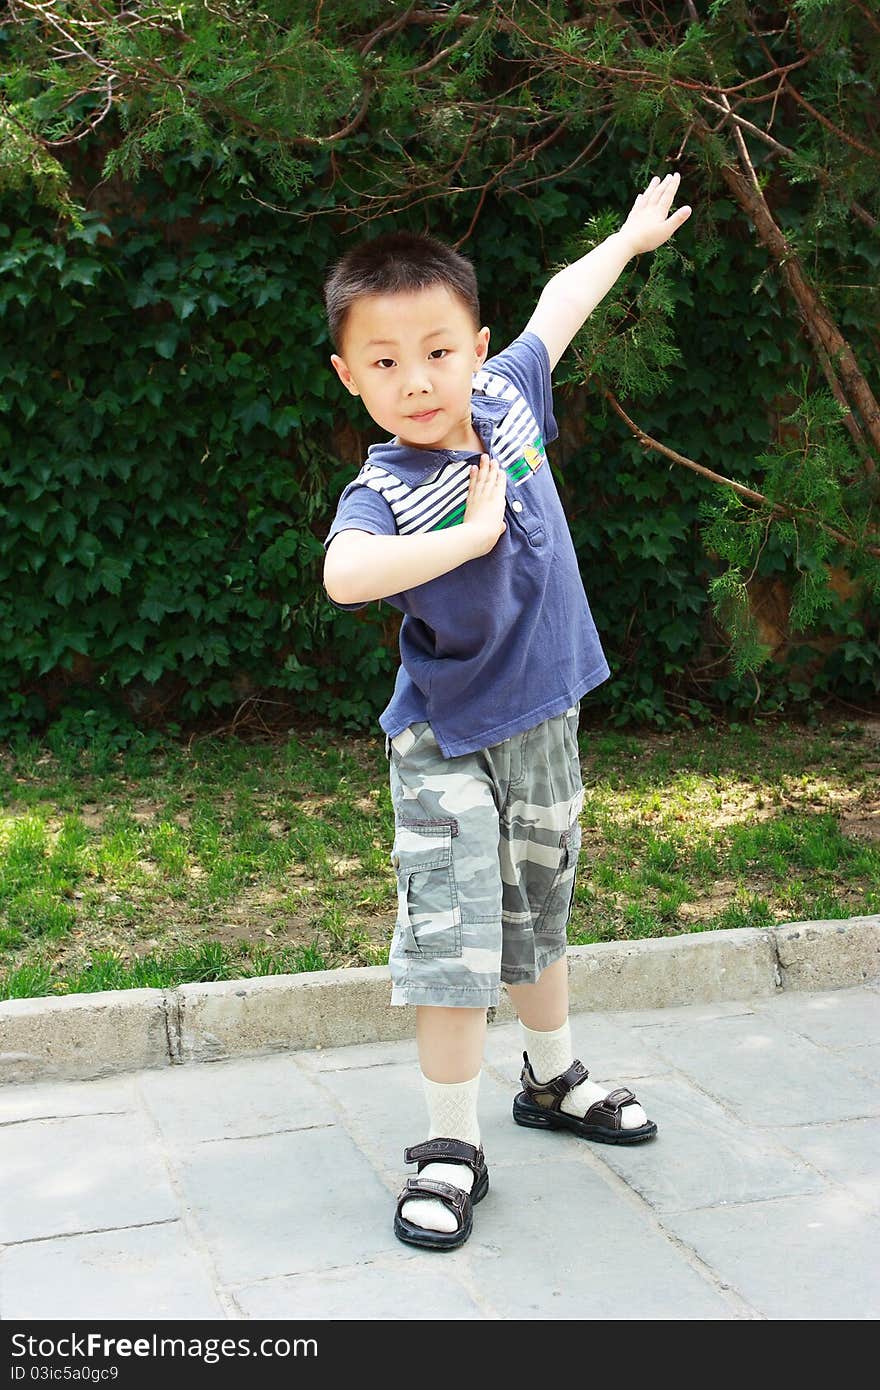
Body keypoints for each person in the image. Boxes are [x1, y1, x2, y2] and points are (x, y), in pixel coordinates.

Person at [321, 173, 692, 1250]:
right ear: (350, 377)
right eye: (384, 363)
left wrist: (623, 241)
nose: (417, 379)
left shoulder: (508, 395)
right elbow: (347, 574)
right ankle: (448, 1145)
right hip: (443, 743)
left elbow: (559, 306)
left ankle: (550, 1078)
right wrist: (468, 539)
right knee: (453, 937)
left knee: (539, 917)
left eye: (437, 351)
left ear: (475, 348)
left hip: (545, 722)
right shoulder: (386, 488)